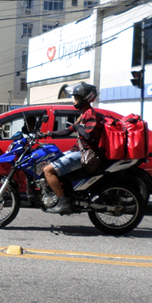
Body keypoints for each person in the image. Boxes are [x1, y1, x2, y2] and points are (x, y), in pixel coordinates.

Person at [41, 82, 103, 214]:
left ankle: (63, 202)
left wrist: (77, 126)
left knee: (48, 171)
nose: (74, 101)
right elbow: (68, 131)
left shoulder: (90, 114)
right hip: (77, 151)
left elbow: (88, 135)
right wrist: (48, 134)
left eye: (76, 98)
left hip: (85, 153)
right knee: (48, 161)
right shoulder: (83, 115)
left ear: (85, 98)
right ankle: (66, 194)